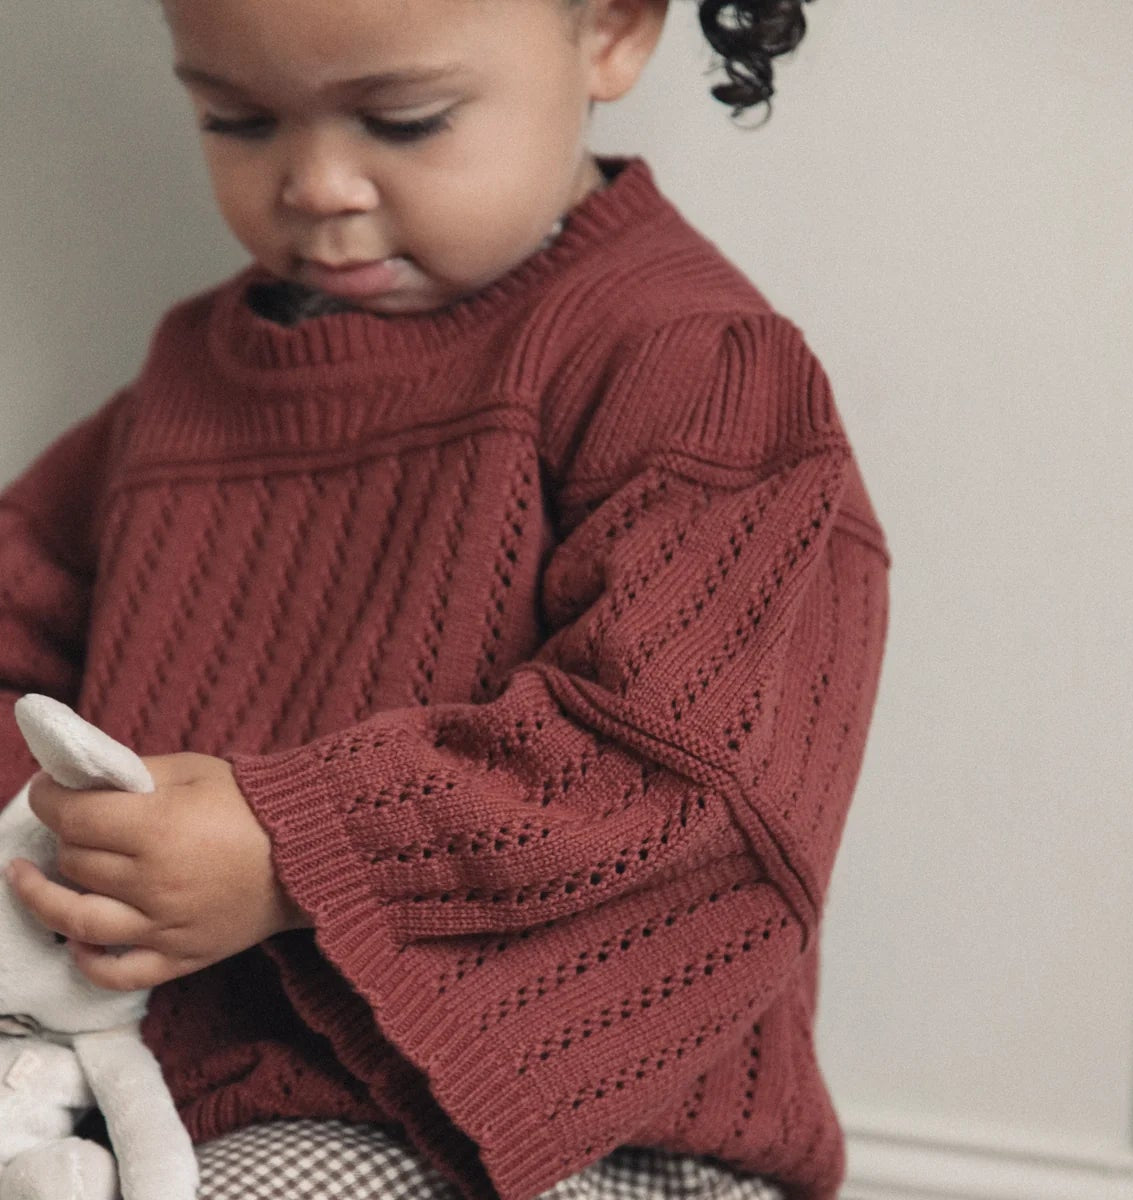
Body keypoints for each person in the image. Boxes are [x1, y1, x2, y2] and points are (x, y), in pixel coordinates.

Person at [0, 0, 890, 1197]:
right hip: (161, 1096)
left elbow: (687, 773)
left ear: (613, 32)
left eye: (403, 121)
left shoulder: (690, 371)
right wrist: (57, 850)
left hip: (577, 1144)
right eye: (237, 118)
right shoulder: (192, 379)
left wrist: (286, 850)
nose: (316, 184)